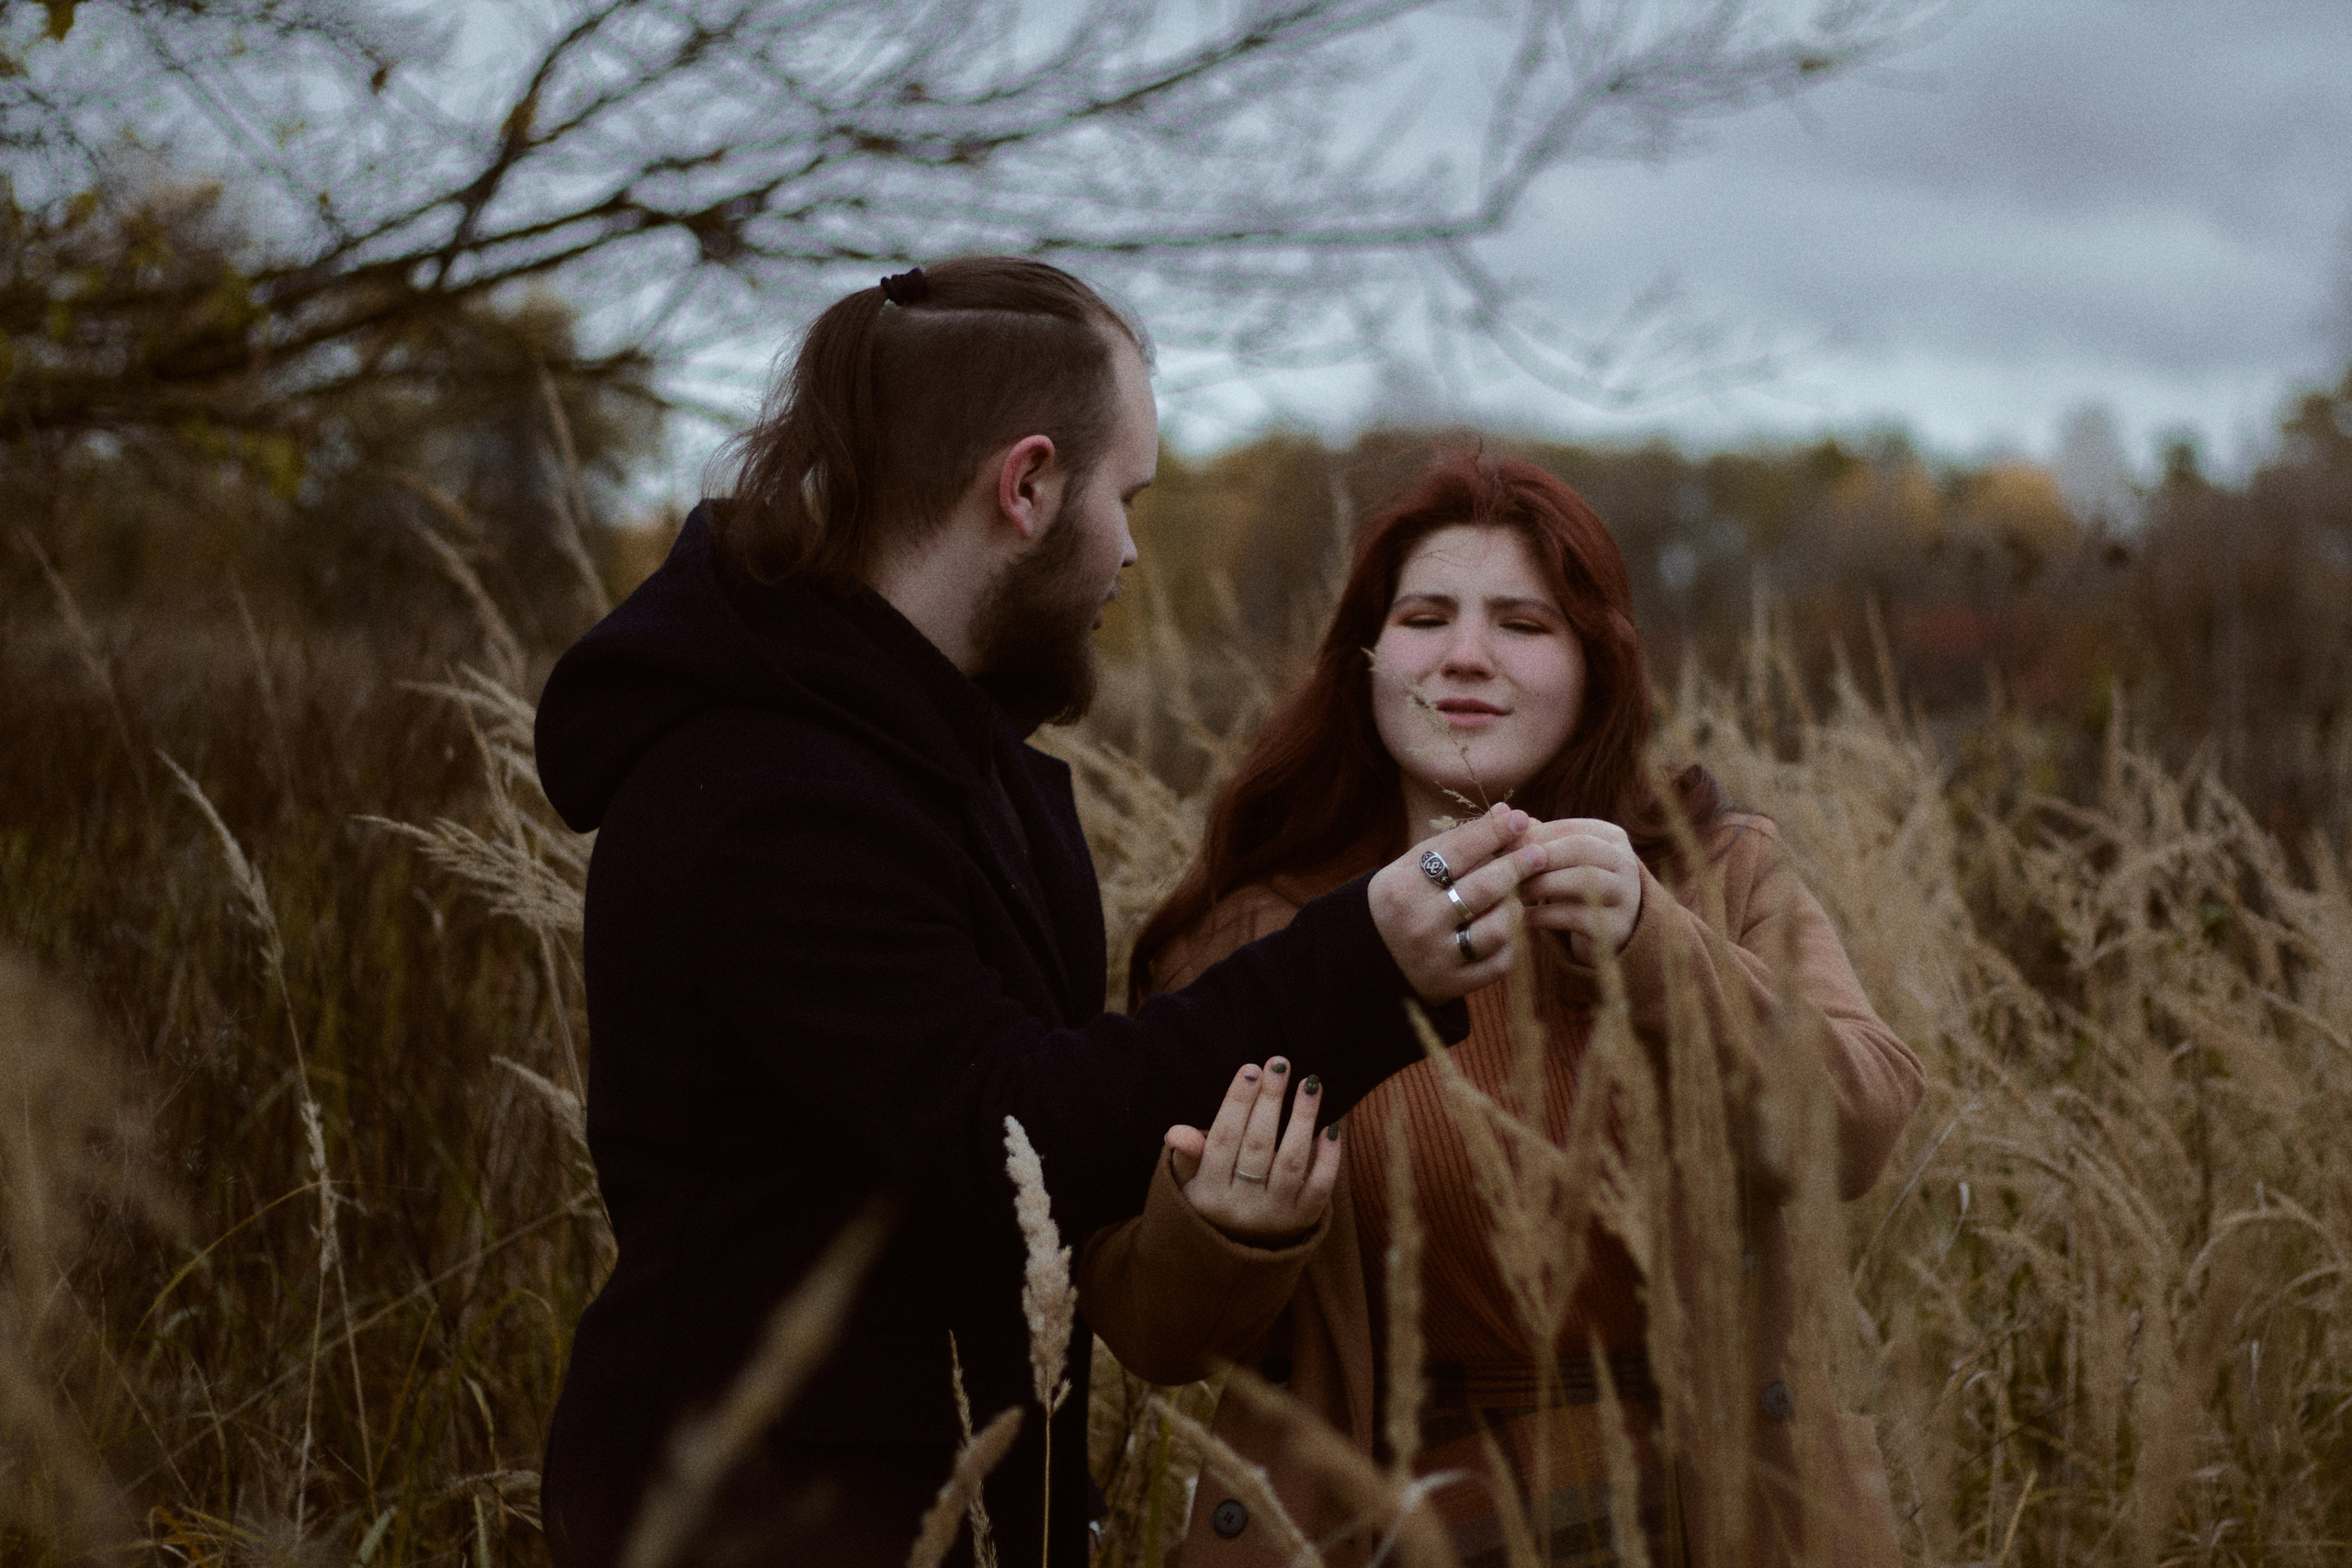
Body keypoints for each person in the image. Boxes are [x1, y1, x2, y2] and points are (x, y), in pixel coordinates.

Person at [530, 260, 1557, 1567]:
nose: (1132, 544)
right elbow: (1010, 1127)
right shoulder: (758, 791)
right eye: (1125, 496)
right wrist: (1367, 957)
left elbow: (1056, 1111)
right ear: (1024, 486)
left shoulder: (969, 768)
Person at [1076, 453, 1926, 1568]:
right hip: (1384, 1532)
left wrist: (1652, 945)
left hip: (1711, 1520)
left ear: (1591, 666)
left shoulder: (1713, 876)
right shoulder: (1259, 937)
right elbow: (1146, 1327)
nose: (1466, 656)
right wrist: (1229, 1232)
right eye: (1427, 617)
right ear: (1367, 662)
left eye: (1523, 623)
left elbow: (1853, 1132)